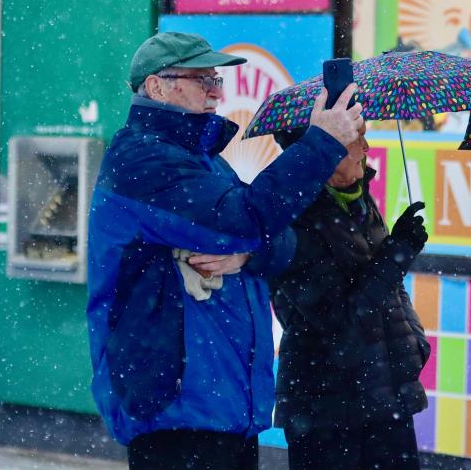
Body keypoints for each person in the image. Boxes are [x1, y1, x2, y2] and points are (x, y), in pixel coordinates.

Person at [86, 31, 364, 470]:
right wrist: (323, 141)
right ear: (157, 86)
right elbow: (247, 219)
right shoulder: (142, 161)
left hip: (224, 406)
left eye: (217, 80)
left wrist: (247, 255)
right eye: (203, 80)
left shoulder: (203, 160)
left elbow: (279, 238)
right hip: (177, 407)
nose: (217, 92)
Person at [270, 123, 431, 470]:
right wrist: (397, 253)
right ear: (324, 150)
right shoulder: (292, 216)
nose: (366, 146)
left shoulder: (358, 200)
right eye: (355, 137)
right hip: (327, 410)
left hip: (386, 399)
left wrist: (414, 343)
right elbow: (338, 317)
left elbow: (387, 289)